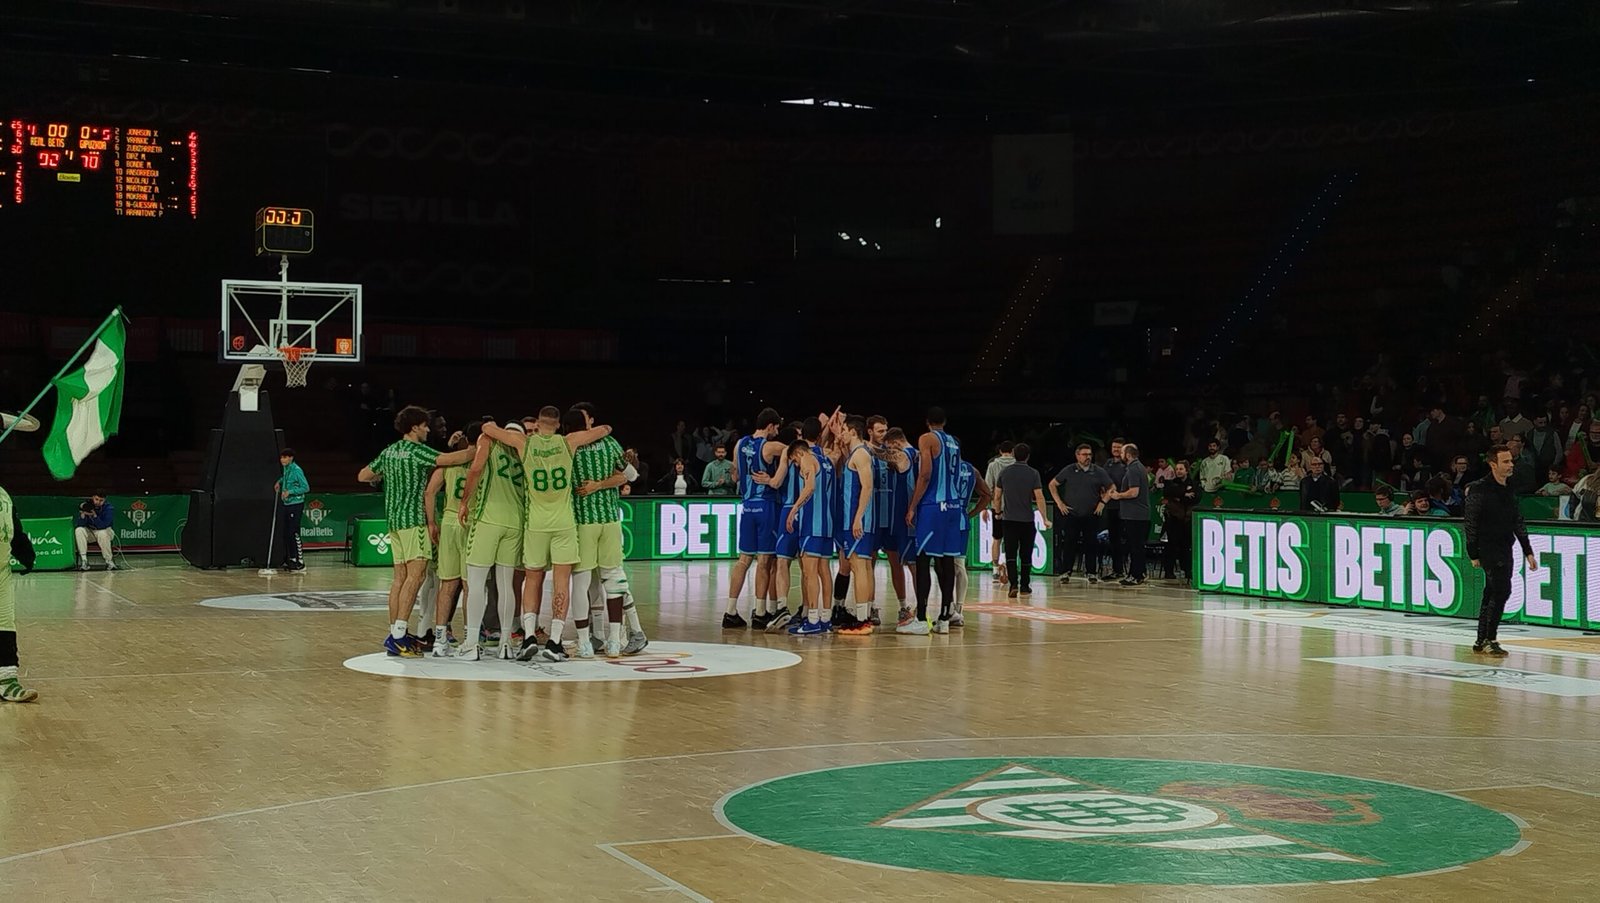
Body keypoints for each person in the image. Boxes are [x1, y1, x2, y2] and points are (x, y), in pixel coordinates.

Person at [481, 408, 611, 663]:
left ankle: (529, 636)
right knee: (562, 582)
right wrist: (598, 430)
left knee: (532, 580)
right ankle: (554, 641)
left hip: (536, 524)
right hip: (563, 523)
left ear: (538, 424)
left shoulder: (524, 443)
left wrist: (492, 425)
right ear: (559, 424)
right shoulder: (568, 442)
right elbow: (605, 429)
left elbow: (488, 430)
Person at [357, 405, 475, 657]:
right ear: (414, 427)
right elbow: (450, 459)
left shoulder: (389, 452)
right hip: (413, 520)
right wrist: (478, 449)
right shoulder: (417, 451)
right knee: (417, 576)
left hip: (393, 521)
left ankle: (395, 633)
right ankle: (399, 636)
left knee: (399, 578)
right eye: (424, 425)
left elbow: (363, 475)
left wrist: (384, 477)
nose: (427, 429)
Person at [567, 403, 648, 658]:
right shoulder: (609, 443)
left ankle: (587, 642)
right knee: (612, 577)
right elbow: (631, 475)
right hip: (610, 519)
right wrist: (602, 484)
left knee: (583, 581)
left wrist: (593, 486)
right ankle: (611, 638)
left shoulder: (568, 447)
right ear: (588, 423)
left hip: (583, 521)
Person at [457, 421, 528, 660]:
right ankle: (506, 642)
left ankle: (471, 643)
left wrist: (464, 501)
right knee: (506, 584)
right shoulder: (526, 448)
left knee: (476, 582)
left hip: (488, 517)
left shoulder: (489, 441)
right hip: (516, 521)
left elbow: (476, 469)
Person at [1465, 445, 1539, 656]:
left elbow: (1517, 519)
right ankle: (1490, 638)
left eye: (1511, 461)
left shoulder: (1510, 487)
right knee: (1501, 590)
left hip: (1505, 546)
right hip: (1488, 547)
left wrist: (1528, 550)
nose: (1511, 465)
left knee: (1491, 592)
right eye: (1505, 462)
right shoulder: (1479, 488)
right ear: (1493, 464)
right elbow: (1471, 522)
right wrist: (1473, 553)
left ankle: (1481, 639)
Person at [900, 407, 963, 634]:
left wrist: (912, 506)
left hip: (933, 505)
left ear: (927, 422)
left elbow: (925, 474)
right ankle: (945, 617)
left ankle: (920, 618)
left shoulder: (927, 439)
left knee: (924, 560)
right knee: (946, 562)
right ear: (944, 421)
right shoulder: (954, 442)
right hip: (954, 505)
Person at [725, 408, 784, 629]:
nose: (777, 431)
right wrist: (772, 478)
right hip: (766, 505)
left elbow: (735, 474)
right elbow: (799, 451)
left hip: (747, 506)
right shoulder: (770, 447)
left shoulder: (740, 444)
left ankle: (730, 611)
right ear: (770, 425)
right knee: (765, 561)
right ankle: (760, 613)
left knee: (743, 560)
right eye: (776, 427)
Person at [785, 417, 837, 636]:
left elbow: (810, 487)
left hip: (812, 523)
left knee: (809, 573)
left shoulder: (806, 459)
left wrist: (794, 508)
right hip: (827, 523)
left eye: (794, 462)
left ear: (797, 453)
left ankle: (813, 619)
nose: (797, 465)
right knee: (825, 572)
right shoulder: (826, 459)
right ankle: (825, 618)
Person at [423, 429, 472, 657]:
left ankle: (440, 639)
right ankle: (470, 639)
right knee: (471, 586)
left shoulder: (448, 464)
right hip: (472, 523)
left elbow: (430, 492)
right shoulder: (483, 462)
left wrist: (432, 522)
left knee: (447, 585)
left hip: (450, 521)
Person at [834, 416, 879, 635]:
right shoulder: (857, 453)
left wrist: (858, 517)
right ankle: (865, 614)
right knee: (865, 566)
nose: (841, 433)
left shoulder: (861, 454)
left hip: (857, 519)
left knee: (858, 566)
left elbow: (867, 487)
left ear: (853, 432)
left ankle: (862, 620)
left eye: (843, 430)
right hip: (858, 519)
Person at [1048, 443, 1111, 586]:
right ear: (1077, 456)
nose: (1088, 457)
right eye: (1084, 454)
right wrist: (1060, 503)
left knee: (1091, 544)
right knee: (1070, 543)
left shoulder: (1098, 471)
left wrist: (1103, 502)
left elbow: (1111, 487)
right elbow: (1052, 484)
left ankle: (1091, 572)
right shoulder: (1069, 470)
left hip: (1091, 513)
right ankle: (1066, 572)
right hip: (1072, 513)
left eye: (1089, 454)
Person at [996, 443, 1050, 598]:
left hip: (1009, 520)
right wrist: (1044, 518)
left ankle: (1013, 584)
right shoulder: (1033, 474)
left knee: (1011, 554)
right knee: (1026, 554)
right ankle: (1025, 585)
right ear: (1028, 456)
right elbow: (1039, 497)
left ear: (1013, 454)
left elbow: (997, 496)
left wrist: (998, 512)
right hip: (1027, 520)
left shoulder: (1004, 473)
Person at [0, 483, 37, 702]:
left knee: (5, 624)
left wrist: (26, 554)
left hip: (1, 572)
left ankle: (7, 680)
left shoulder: (3, 494)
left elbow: (13, 527)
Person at [1107, 443, 1151, 586]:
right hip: (1137, 514)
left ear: (1128, 454)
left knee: (1135, 546)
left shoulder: (1134, 469)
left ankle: (1136, 575)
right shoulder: (1138, 467)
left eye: (1122, 453)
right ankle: (1140, 572)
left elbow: (1134, 492)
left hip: (1135, 515)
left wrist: (1118, 496)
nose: (1120, 455)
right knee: (1136, 545)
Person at [983, 441, 1016, 585]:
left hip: (997, 507)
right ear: (1013, 451)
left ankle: (995, 569)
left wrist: (984, 507)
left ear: (1000, 451)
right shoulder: (1018, 465)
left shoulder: (993, 465)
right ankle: (1011, 568)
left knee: (997, 538)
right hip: (1015, 508)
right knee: (1014, 540)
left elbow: (987, 487)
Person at [1160, 460, 1198, 581]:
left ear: (1186, 470)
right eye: (1177, 469)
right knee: (1171, 546)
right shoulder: (1172, 483)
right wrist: (1184, 494)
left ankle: (1187, 570)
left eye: (1181, 469)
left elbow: (1196, 497)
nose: (1178, 471)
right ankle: (1169, 571)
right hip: (1173, 520)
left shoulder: (1193, 483)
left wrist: (1179, 497)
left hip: (1187, 520)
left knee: (1186, 547)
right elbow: (1168, 492)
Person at [274, 448, 309, 571]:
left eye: (285, 457)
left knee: (294, 532)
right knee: (287, 532)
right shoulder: (287, 469)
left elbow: (305, 487)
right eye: (281, 457)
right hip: (287, 504)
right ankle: (292, 558)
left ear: (291, 458)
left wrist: (290, 492)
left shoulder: (297, 470)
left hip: (296, 504)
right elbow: (286, 478)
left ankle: (300, 561)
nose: (282, 460)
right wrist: (279, 482)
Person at [1101, 439, 1128, 580]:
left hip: (1124, 507)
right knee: (1114, 539)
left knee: (1126, 539)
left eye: (1119, 447)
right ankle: (1117, 570)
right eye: (1114, 447)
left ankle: (1131, 571)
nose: (1116, 449)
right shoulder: (1108, 463)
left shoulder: (1128, 465)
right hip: (1111, 506)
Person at [74, 492, 116, 571]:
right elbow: (80, 525)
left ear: (105, 500)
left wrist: (94, 516)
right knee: (79, 530)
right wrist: (83, 516)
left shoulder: (109, 508)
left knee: (102, 533)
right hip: (91, 532)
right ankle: (84, 561)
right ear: (93, 498)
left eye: (101, 500)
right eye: (96, 499)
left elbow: (103, 526)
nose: (98, 502)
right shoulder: (88, 506)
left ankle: (109, 561)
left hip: (106, 531)